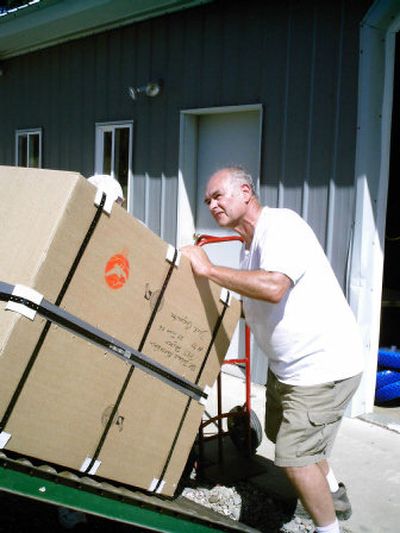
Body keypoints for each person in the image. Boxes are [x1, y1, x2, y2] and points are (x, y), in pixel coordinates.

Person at [181, 166, 364, 533]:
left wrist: (209, 269)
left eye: (219, 196)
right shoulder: (249, 247)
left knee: (294, 457)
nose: (212, 205)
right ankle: (334, 494)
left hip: (321, 368)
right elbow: (254, 303)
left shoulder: (282, 226)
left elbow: (274, 286)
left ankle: (329, 529)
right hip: (287, 368)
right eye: (207, 201)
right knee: (287, 436)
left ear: (246, 192)